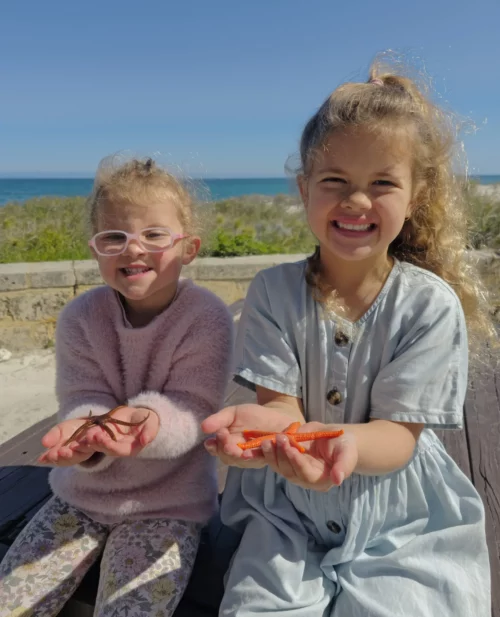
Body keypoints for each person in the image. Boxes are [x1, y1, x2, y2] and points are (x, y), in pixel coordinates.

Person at [202, 58, 494, 616]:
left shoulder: (429, 305)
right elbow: (279, 408)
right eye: (334, 181)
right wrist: (267, 435)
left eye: (382, 183)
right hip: (285, 511)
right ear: (304, 187)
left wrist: (345, 444)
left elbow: (398, 438)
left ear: (416, 196)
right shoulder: (271, 292)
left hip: (401, 515)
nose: (356, 201)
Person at [0, 156, 234, 617]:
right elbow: (82, 397)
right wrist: (85, 440)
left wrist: (144, 423)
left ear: (188, 247)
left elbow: (193, 408)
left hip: (169, 504)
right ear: (96, 249)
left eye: (154, 234)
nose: (133, 249)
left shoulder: (207, 317)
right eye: (115, 236)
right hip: (80, 497)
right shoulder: (80, 318)